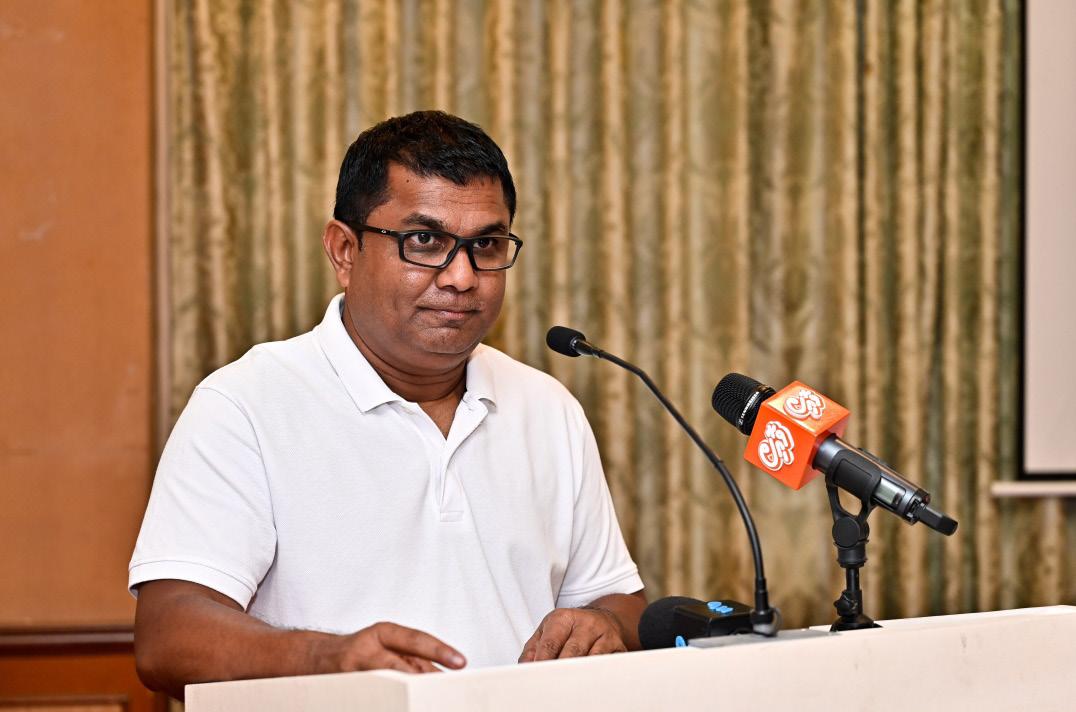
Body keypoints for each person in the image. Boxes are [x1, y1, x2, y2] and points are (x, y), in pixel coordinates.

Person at [129, 111, 646, 699]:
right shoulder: (245, 404)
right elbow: (167, 637)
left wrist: (604, 624)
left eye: (486, 244)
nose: (461, 277)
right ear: (344, 251)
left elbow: (619, 601)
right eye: (424, 241)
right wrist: (327, 658)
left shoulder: (547, 407)